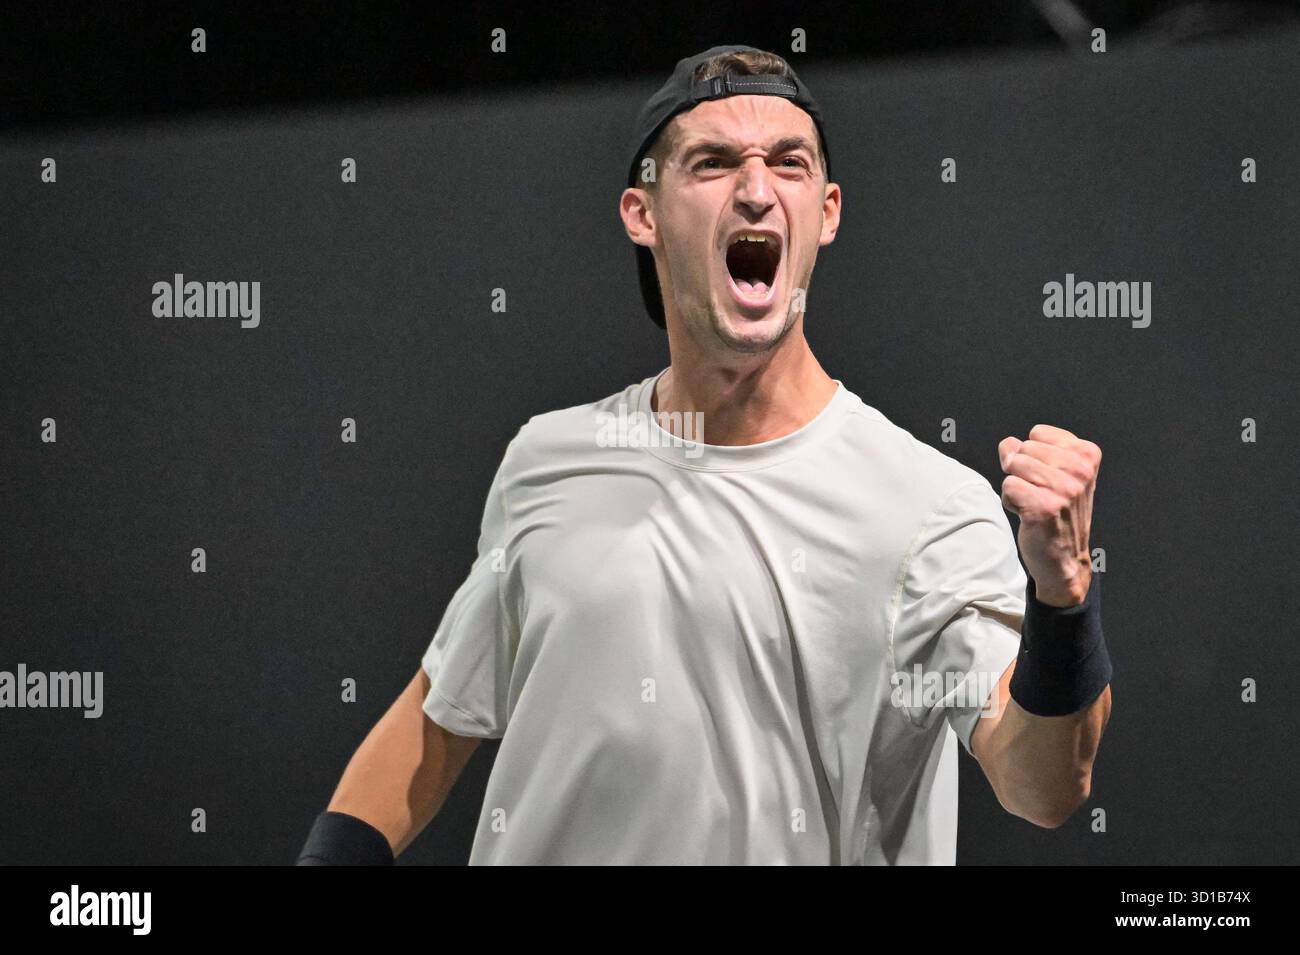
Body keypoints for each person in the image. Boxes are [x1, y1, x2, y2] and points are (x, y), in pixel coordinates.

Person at [298, 44, 1112, 866]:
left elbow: (1042, 786)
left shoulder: (928, 506)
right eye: (713, 163)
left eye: (788, 164)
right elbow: (438, 720)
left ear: (827, 213)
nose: (756, 190)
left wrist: (1064, 597)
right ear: (642, 212)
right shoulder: (548, 460)